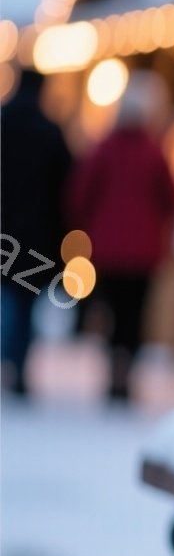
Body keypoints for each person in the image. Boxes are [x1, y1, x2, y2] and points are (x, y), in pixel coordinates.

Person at [68, 71, 174, 403]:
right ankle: (125, 369)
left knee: (112, 311)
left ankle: (113, 369)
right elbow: (171, 198)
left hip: (107, 248)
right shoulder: (154, 151)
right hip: (144, 249)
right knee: (135, 313)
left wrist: (88, 226)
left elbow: (80, 194)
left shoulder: (103, 148)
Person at [1, 67, 74, 399]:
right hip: (34, 234)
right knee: (24, 302)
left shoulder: (3, 123)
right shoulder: (50, 131)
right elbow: (66, 187)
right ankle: (17, 365)